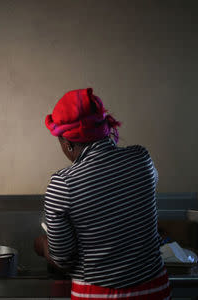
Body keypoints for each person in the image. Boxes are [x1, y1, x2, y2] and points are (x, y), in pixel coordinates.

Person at [34, 88, 171, 299]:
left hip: (99, 294)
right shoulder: (141, 159)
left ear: (68, 144)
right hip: (154, 290)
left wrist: (43, 245)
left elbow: (63, 260)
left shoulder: (63, 183)